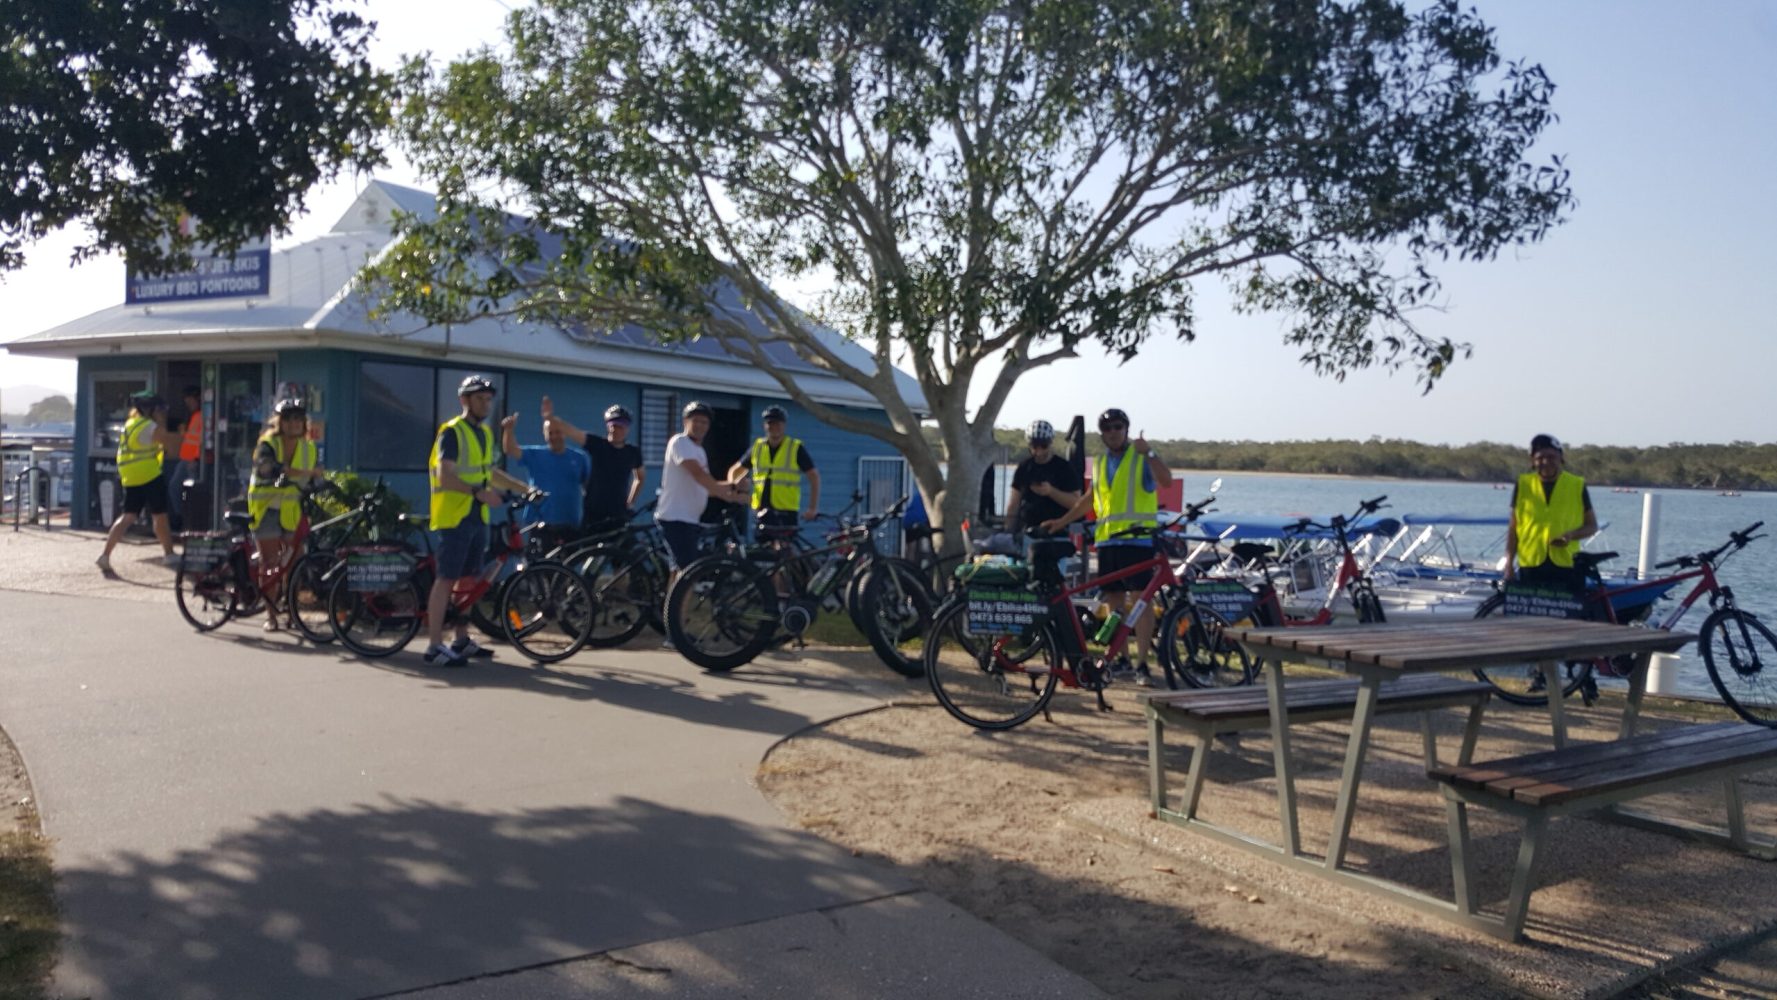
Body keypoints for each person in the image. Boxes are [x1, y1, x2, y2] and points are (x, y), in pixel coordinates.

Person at [1042, 407, 1174, 686]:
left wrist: (1149, 452)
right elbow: (1089, 500)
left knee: (1141, 601)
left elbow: (1166, 481)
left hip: (1136, 540)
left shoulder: (1140, 458)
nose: (1112, 433)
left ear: (1126, 428)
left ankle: (1142, 665)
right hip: (1107, 541)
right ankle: (1122, 659)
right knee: (1114, 602)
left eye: (1117, 427)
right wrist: (1062, 521)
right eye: (1107, 429)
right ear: (1102, 434)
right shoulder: (1100, 462)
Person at [424, 375, 530, 667]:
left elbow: (490, 471)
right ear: (464, 400)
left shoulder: (483, 434)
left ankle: (461, 639)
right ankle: (434, 645)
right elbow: (445, 475)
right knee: (446, 579)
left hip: (476, 516)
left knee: (468, 580)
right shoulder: (452, 432)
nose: (485, 403)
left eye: (488, 399)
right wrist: (478, 493)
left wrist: (525, 488)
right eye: (479, 398)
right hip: (454, 514)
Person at [246, 398, 325, 629]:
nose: (293, 424)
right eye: (288, 419)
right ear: (279, 422)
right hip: (266, 509)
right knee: (269, 563)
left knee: (295, 563)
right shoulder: (267, 443)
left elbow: (313, 478)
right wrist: (307, 472)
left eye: (298, 420)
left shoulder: (308, 448)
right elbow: (267, 468)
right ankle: (271, 616)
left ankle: (292, 613)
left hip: (290, 511)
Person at [659, 400, 746, 574]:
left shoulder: (699, 451)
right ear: (685, 422)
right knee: (689, 572)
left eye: (704, 422)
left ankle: (671, 602)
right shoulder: (680, 442)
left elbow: (704, 487)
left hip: (689, 519)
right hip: (676, 518)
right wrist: (728, 493)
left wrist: (734, 490)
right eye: (695, 420)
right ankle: (679, 602)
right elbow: (699, 476)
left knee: (678, 571)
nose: (699, 425)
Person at [96, 391, 179, 573]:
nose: (162, 412)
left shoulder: (131, 424)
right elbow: (171, 447)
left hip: (130, 477)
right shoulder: (150, 426)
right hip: (149, 475)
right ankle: (169, 554)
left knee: (128, 516)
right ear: (151, 410)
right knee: (160, 515)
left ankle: (105, 555)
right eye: (160, 409)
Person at [1503, 433, 1597, 591]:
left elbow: (1592, 526)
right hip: (1531, 564)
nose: (1546, 462)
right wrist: (1509, 564)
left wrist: (1571, 535)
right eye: (1540, 458)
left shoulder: (1576, 484)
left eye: (1551, 457)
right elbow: (1513, 528)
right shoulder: (1523, 484)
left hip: (1566, 565)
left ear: (1561, 458)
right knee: (1530, 615)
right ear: (1532, 461)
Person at [501, 399, 591, 550]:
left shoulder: (579, 458)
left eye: (558, 432)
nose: (554, 436)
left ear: (565, 434)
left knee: (568, 569)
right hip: (540, 523)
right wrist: (508, 430)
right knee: (540, 569)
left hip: (570, 522)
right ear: (544, 435)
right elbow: (511, 450)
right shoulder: (535, 454)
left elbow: (588, 486)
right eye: (550, 433)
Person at [545, 399, 645, 528]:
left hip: (619, 512)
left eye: (621, 426)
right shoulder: (597, 444)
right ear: (608, 426)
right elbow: (573, 432)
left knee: (624, 547)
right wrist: (551, 418)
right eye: (613, 425)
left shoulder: (633, 452)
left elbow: (640, 477)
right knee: (590, 547)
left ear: (627, 428)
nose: (617, 429)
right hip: (594, 512)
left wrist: (630, 502)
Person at [1006, 419, 1082, 581]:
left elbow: (1076, 502)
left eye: (1043, 446)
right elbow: (1013, 502)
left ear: (1050, 444)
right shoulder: (1024, 468)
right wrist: (1009, 532)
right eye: (1034, 446)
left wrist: (1051, 492)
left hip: (1056, 535)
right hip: (1029, 534)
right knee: (1026, 580)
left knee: (1052, 582)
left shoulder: (1064, 468)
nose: (1039, 451)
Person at [727, 405, 820, 536]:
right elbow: (735, 470)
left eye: (777, 423)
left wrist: (812, 508)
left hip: (786, 510)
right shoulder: (758, 447)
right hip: (762, 509)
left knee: (786, 552)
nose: (774, 427)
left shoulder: (794, 448)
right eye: (770, 423)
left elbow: (814, 477)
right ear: (765, 425)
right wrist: (734, 485)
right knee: (763, 552)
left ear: (784, 425)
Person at [170, 386, 204, 529]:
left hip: (194, 462)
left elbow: (202, 440)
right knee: (175, 487)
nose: (188, 403)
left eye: (190, 400)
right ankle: (181, 517)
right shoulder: (194, 416)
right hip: (185, 460)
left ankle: (192, 522)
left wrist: (196, 459)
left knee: (192, 493)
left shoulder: (203, 416)